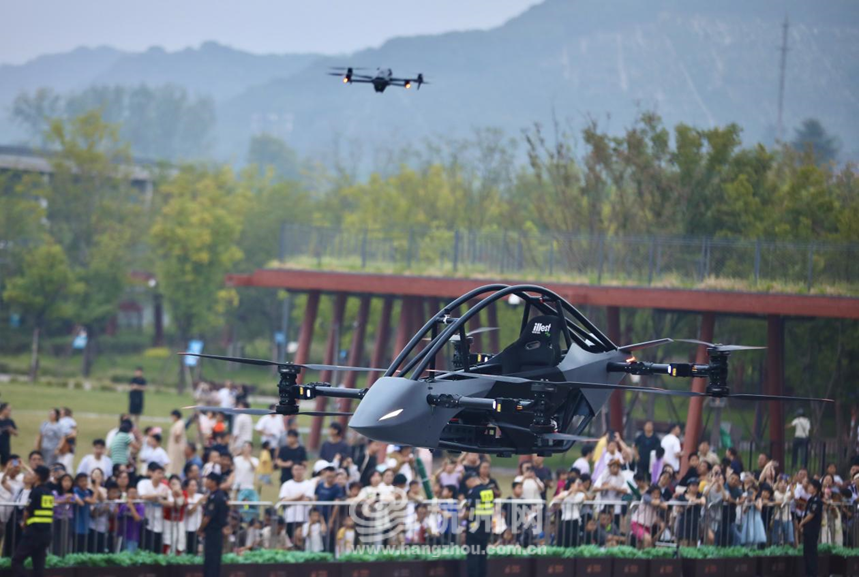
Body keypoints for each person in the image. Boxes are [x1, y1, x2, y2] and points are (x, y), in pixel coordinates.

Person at [11, 466, 53, 577]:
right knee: (38, 567)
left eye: (33, 474)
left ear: (37, 476)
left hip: (33, 532)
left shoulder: (35, 492)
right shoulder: (49, 492)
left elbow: (27, 512)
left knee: (16, 561)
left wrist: (23, 524)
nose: (31, 476)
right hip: (46, 533)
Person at [462, 472, 493, 577]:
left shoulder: (474, 493)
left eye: (466, 483)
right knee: (482, 557)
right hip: (486, 528)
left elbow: (469, 513)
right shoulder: (488, 490)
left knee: (473, 557)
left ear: (470, 480)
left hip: (474, 530)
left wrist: (460, 516)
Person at [199, 473, 229, 577]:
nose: (206, 482)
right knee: (212, 559)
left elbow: (207, 517)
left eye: (208, 480)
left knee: (212, 559)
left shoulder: (216, 497)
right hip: (215, 532)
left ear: (214, 482)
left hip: (214, 532)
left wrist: (200, 529)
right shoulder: (216, 495)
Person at [799, 479, 823, 577]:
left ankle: (813, 573)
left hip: (812, 528)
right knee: (806, 551)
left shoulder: (817, 500)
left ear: (815, 488)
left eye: (810, 486)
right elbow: (806, 512)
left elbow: (811, 514)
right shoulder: (810, 499)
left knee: (811, 551)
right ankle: (807, 572)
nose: (808, 488)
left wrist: (802, 523)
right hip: (807, 528)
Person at [167, 410, 187, 477]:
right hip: (174, 446)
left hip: (176, 447)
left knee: (175, 462)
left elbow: (178, 434)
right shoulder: (178, 423)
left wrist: (176, 441)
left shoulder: (180, 423)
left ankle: (174, 475)